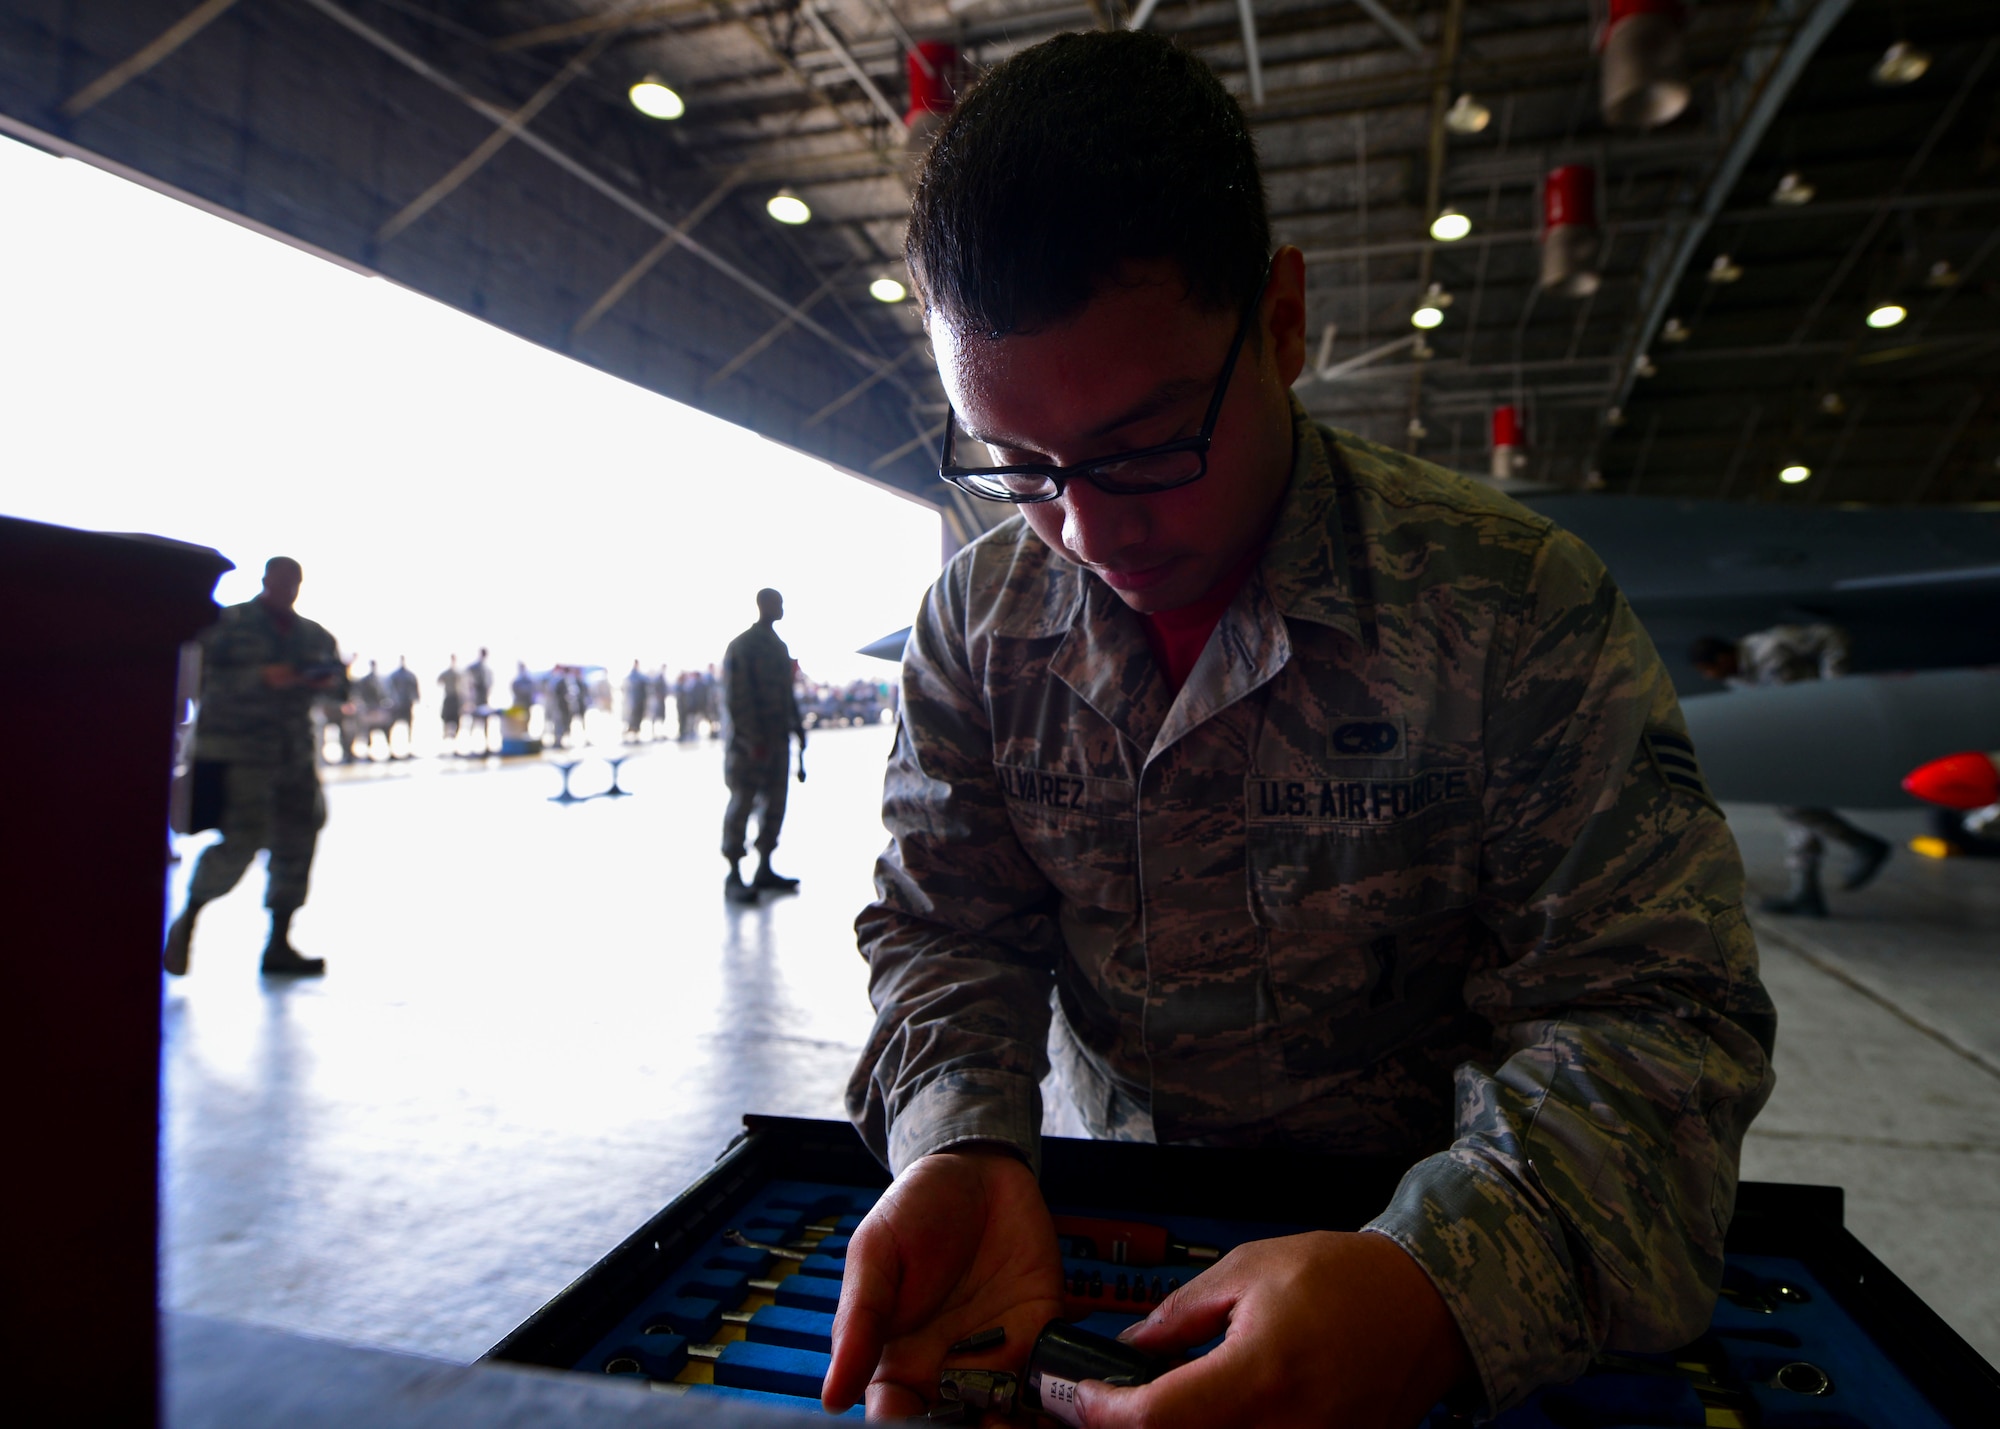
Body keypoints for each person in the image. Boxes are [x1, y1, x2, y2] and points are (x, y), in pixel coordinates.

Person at [827, 33, 1775, 1429]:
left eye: (1148, 445)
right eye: (1019, 467)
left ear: (1282, 322)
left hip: (1413, 1228)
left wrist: (1438, 1289)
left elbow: (1656, 1022)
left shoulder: (1512, 609)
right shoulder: (979, 625)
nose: (1088, 532)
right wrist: (958, 1139)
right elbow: (946, 929)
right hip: (1103, 1231)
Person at [164, 557, 345, 977]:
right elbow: (195, 680)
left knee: (299, 842)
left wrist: (324, 681)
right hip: (240, 754)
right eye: (280, 582)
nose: (288, 590)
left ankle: (278, 942)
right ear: (265, 581)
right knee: (242, 841)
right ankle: (187, 920)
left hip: (294, 756)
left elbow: (341, 689)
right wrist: (262, 677)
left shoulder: (314, 635)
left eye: (294, 583)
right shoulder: (228, 625)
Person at [1690, 626, 1891, 916]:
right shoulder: (1737, 678)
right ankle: (1808, 891)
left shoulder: (1771, 646)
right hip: (1796, 738)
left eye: (1707, 668)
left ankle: (1859, 848)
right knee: (1794, 805)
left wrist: (1834, 689)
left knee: (1795, 806)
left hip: (1820, 729)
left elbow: (1831, 636)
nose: (1708, 676)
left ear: (1722, 657)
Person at [720, 588, 807, 904]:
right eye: (777, 603)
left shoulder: (778, 647)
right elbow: (735, 698)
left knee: (775, 804)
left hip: (777, 740)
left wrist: (798, 730)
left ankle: (764, 868)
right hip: (750, 746)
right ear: (764, 605)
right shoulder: (743, 646)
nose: (781, 608)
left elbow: (787, 695)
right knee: (742, 803)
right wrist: (751, 740)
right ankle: (734, 873)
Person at [386, 655, 420, 756]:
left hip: (406, 704)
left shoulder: (409, 675)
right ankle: (391, 750)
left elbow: (415, 689)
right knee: (391, 727)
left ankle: (408, 748)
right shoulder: (395, 675)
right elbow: (389, 689)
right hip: (397, 705)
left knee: (408, 727)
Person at [437, 655, 463, 746]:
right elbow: (439, 681)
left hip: (456, 698)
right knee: (445, 718)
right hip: (449, 698)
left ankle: (456, 742)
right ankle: (444, 740)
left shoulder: (459, 673)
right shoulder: (447, 673)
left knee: (457, 720)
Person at [624, 659, 650, 742]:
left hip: (640, 701)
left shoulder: (639, 676)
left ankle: (636, 734)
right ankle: (631, 735)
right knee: (633, 719)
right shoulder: (632, 675)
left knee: (638, 719)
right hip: (634, 701)